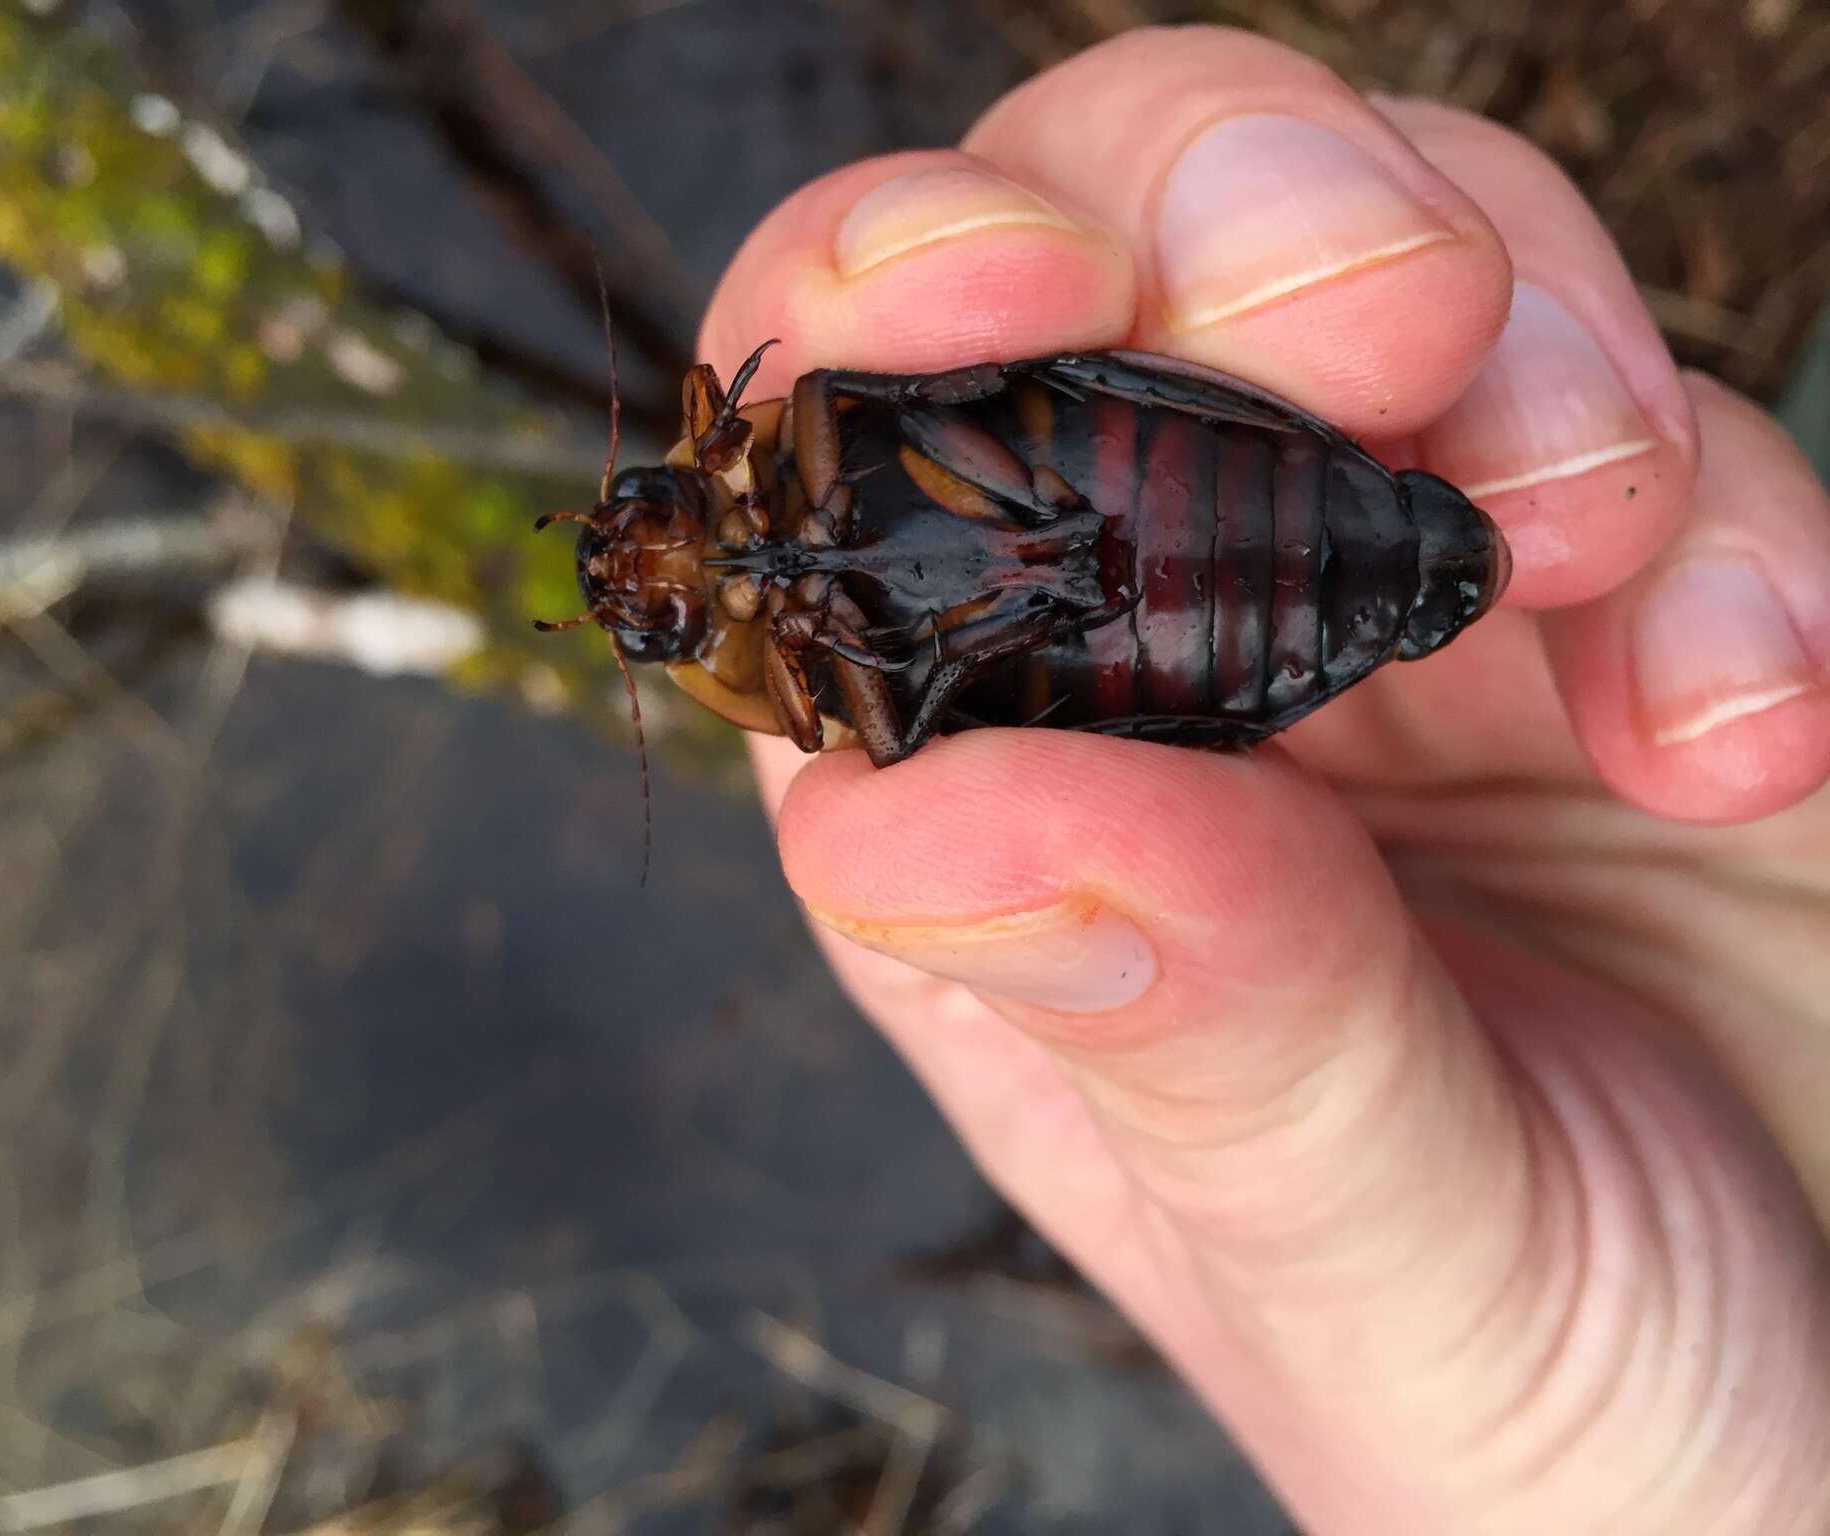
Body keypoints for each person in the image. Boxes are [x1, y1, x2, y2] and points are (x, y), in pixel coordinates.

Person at [697, 28, 1830, 1534]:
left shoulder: (818, 443)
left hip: (1172, 537)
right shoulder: (834, 662)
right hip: (1168, 573)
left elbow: (955, 398)